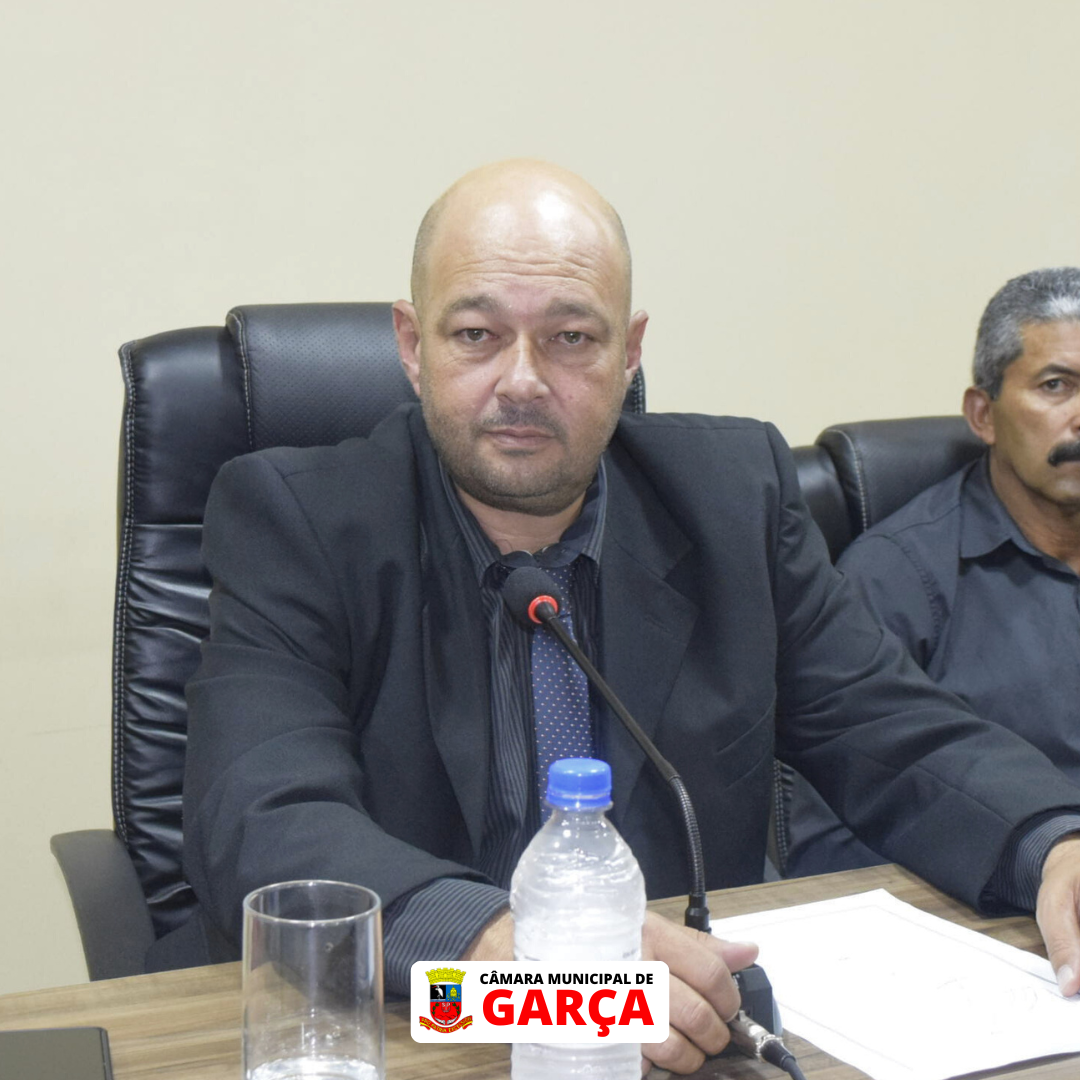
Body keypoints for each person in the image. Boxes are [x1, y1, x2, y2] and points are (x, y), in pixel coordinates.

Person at [172, 165, 1080, 1075]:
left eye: (570, 338)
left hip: (676, 1041)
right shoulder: (298, 521)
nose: (522, 381)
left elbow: (887, 726)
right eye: (476, 334)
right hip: (416, 1023)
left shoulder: (732, 497)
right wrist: (513, 949)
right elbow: (261, 810)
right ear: (413, 345)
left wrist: (1052, 845)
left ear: (630, 351)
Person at [785, 268, 1080, 878]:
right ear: (983, 414)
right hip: (1002, 905)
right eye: (1056, 386)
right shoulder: (894, 578)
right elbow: (824, 832)